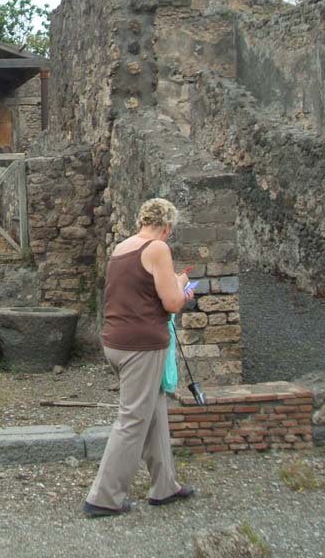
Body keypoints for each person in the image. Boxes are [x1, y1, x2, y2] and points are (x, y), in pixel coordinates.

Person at [83, 197, 196, 517]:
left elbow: (138, 293)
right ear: (167, 226)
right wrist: (183, 289)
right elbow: (171, 303)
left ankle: (165, 486)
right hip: (142, 346)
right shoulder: (158, 248)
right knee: (133, 419)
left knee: (154, 408)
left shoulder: (122, 248)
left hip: (116, 343)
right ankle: (103, 497)